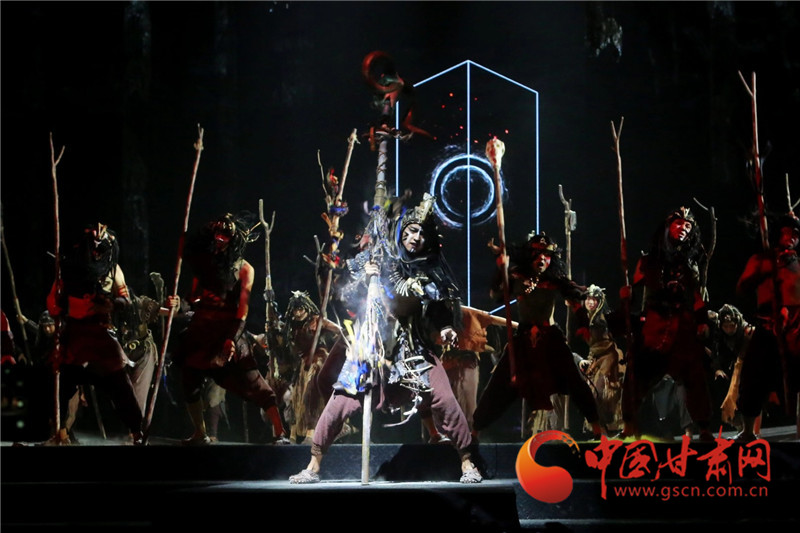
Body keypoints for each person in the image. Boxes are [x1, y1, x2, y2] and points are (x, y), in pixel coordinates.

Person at [289, 193, 482, 484]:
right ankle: (313, 465)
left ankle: (467, 462)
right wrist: (363, 277)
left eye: (421, 234)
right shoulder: (377, 259)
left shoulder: (429, 272)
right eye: (411, 230)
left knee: (443, 398)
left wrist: (445, 328)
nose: (416, 237)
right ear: (401, 231)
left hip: (411, 348)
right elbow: (343, 294)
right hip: (371, 346)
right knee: (341, 400)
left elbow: (439, 310)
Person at [171, 213, 290, 445]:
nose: (219, 239)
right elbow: (192, 298)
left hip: (226, 332)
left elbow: (242, 311)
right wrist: (178, 304)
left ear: (234, 240)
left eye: (225, 235)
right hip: (201, 331)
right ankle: (200, 432)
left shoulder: (245, 269)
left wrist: (231, 339)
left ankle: (280, 431)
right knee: (189, 379)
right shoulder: (207, 263)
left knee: (253, 382)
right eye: (217, 233)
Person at [472, 232, 604, 439]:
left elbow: (575, 296)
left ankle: (597, 427)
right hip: (524, 337)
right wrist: (501, 268)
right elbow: (496, 295)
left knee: (574, 378)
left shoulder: (554, 279)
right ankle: (475, 430)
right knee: (500, 381)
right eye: (538, 255)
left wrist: (583, 317)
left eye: (547, 255)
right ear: (530, 256)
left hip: (550, 337)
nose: (542, 259)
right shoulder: (516, 276)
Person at [46, 223, 147, 445]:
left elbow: (125, 298)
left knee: (120, 385)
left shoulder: (113, 269)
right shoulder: (68, 268)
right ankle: (60, 433)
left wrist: (111, 304)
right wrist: (61, 306)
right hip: (75, 334)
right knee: (62, 383)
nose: (97, 253)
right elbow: (52, 302)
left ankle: (137, 432)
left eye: (100, 249)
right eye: (93, 248)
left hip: (101, 336)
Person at [618, 207, 714, 441]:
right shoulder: (649, 260)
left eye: (688, 226)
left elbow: (696, 296)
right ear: (668, 227)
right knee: (637, 374)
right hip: (655, 324)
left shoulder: (692, 263)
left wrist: (702, 320)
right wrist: (627, 297)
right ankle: (629, 425)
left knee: (695, 377)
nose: (683, 228)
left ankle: (704, 429)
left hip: (683, 327)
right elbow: (635, 289)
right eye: (679, 224)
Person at [723, 214, 800, 441]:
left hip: (796, 331)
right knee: (753, 379)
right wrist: (763, 270)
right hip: (767, 328)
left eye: (796, 234)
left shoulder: (798, 263)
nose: (792, 237)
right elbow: (742, 288)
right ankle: (748, 431)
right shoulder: (761, 259)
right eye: (787, 231)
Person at [281, 290, 343, 443]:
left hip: (318, 361)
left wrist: (336, 351)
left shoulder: (317, 320)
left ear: (307, 308)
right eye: (295, 310)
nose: (298, 313)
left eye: (300, 309)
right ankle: (296, 434)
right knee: (296, 399)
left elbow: (340, 331)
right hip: (304, 364)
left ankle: (311, 432)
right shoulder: (291, 326)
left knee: (311, 393)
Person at [575, 284, 625, 434]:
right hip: (594, 357)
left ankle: (611, 426)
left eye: (594, 299)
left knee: (604, 391)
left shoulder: (603, 318)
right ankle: (600, 428)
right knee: (591, 392)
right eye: (588, 299)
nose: (590, 302)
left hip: (609, 355)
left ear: (599, 302)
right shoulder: (585, 318)